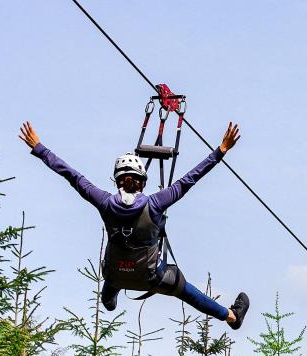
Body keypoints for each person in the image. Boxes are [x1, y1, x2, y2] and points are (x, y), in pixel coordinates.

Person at [20, 119, 250, 329]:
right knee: (187, 291)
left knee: (112, 282)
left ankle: (109, 300)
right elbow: (190, 179)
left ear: (118, 180)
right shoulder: (156, 203)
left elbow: (72, 175)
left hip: (115, 274)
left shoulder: (104, 202)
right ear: (141, 183)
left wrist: (39, 148)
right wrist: (221, 150)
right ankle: (231, 316)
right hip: (152, 277)